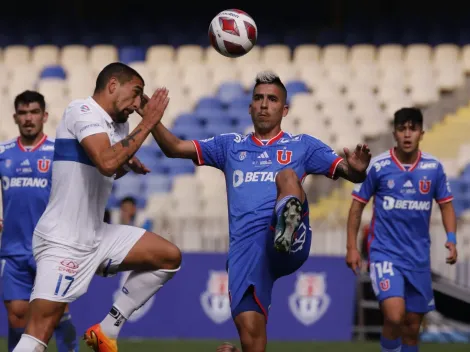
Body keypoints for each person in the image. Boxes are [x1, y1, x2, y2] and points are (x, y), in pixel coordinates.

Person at [144, 71, 371, 352]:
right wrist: (150, 119)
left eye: (272, 99)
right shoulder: (230, 146)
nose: (264, 104)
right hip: (246, 254)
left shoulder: (302, 146)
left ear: (284, 109)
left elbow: (349, 172)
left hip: (289, 243)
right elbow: (175, 147)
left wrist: (358, 171)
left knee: (287, 176)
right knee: (252, 339)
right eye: (259, 98)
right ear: (250, 106)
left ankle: (285, 224)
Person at [13, 63, 182, 352]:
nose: (137, 103)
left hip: (95, 235)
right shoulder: (81, 110)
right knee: (40, 330)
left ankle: (106, 330)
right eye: (136, 93)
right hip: (62, 240)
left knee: (169, 257)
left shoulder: (120, 125)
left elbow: (110, 165)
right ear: (113, 85)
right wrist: (148, 122)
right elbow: (106, 162)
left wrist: (126, 164)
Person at [346, 107, 458, 352]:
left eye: (413, 128)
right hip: (385, 254)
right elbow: (357, 207)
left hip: (418, 258)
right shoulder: (378, 166)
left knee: (411, 326)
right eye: (402, 129)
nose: (407, 134)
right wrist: (352, 247)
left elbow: (446, 205)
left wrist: (451, 238)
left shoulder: (433, 168)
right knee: (395, 316)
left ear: (421, 133)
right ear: (394, 133)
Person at [0, 91, 78, 352]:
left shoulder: (58, 151)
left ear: (44, 116)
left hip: (51, 248)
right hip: (13, 250)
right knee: (18, 318)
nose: (28, 118)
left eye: (34, 112)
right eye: (23, 113)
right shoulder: (4, 153)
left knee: (57, 315)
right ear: (15, 117)